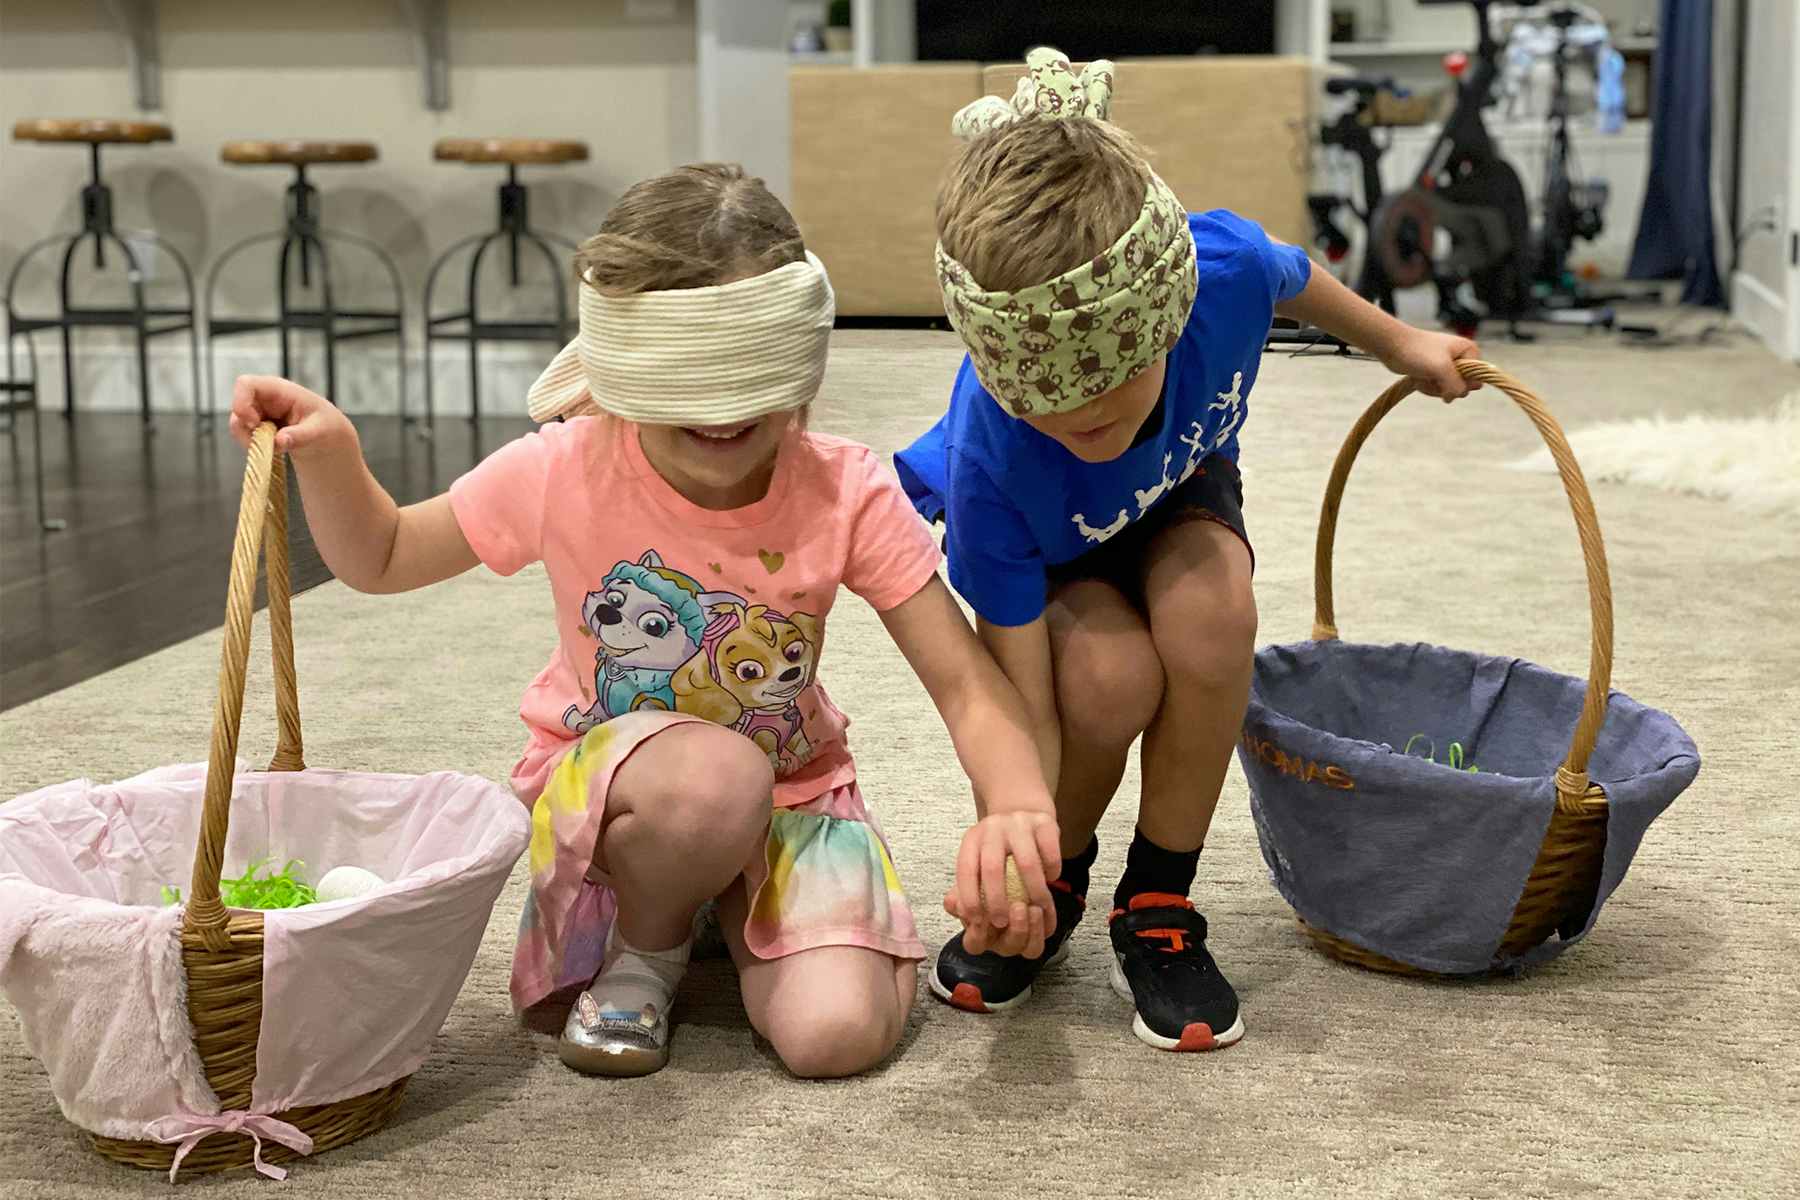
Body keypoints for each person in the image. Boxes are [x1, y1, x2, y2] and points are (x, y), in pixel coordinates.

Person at [228, 163, 1061, 1079]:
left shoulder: (844, 487)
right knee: (712, 779)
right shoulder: (564, 467)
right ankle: (650, 942)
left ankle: (723, 901)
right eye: (685, 378)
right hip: (625, 801)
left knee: (839, 1037)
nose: (723, 410)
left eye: (749, 371)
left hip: (792, 793)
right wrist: (334, 455)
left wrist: (1017, 806)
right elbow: (383, 555)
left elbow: (965, 682)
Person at [896, 50, 1477, 1052]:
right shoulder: (992, 459)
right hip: (1049, 547)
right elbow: (1020, 703)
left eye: (1111, 405)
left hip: (1178, 488)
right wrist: (1019, 833)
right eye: (1053, 417)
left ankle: (1158, 897)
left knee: (1216, 617)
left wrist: (1401, 344)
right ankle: (1058, 883)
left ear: (1168, 319)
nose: (1086, 428)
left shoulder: (1223, 273)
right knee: (1108, 678)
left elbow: (1299, 276)